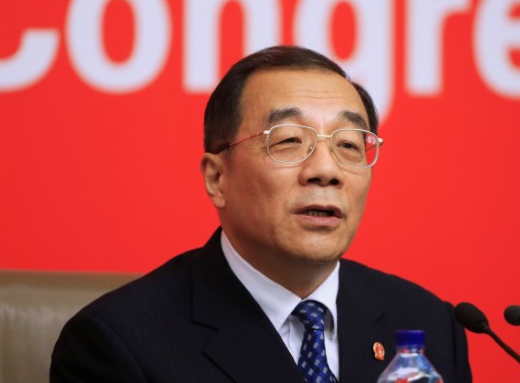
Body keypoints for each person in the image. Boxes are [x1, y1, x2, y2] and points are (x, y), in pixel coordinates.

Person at [51, 46, 472, 382]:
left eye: (348, 145)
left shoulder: (428, 323)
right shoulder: (120, 344)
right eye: (288, 141)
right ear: (217, 178)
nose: (326, 171)